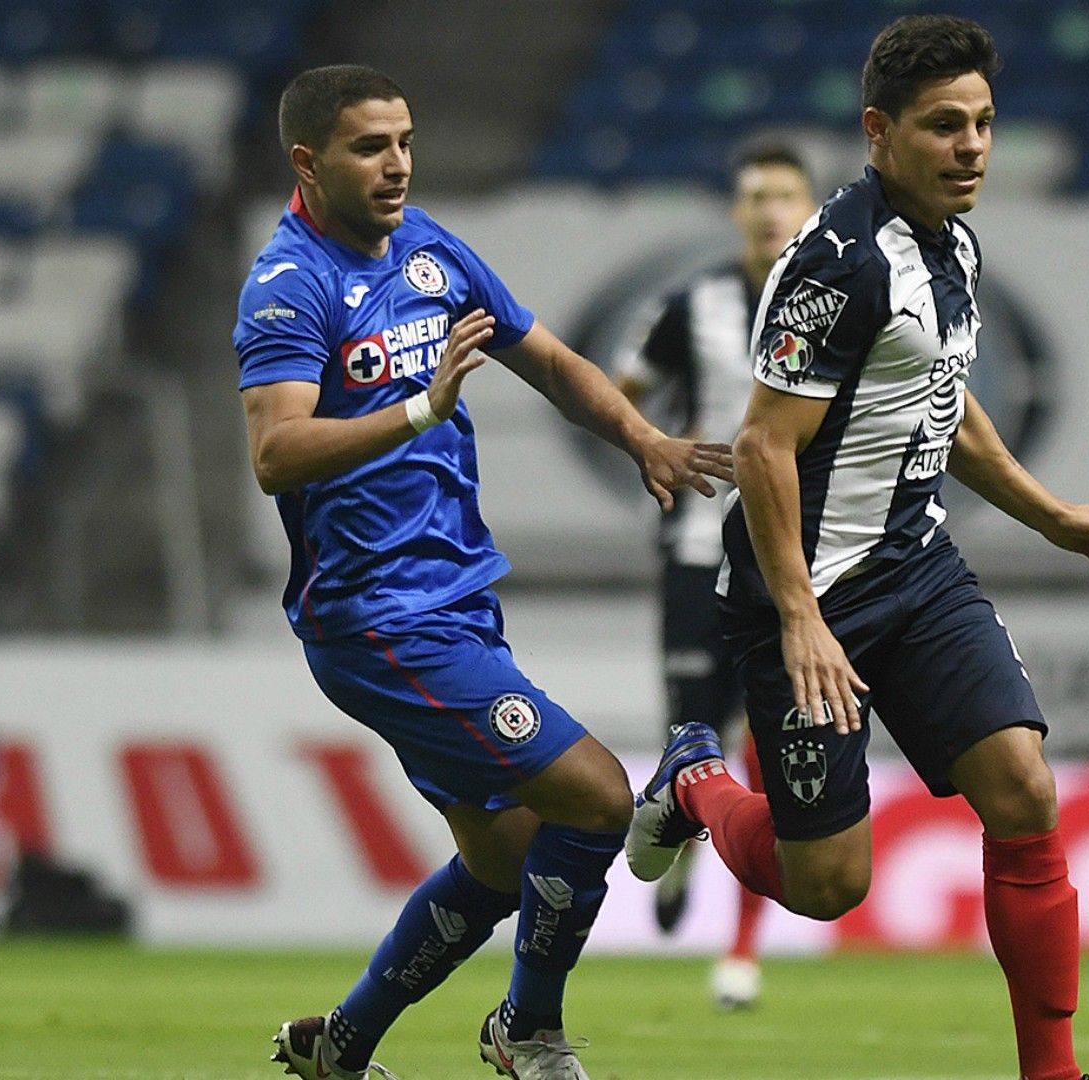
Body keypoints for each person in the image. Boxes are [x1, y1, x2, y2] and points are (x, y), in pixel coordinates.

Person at [625, 17, 1089, 1080]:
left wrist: (1049, 515)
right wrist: (804, 618)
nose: (972, 148)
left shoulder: (956, 243)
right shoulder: (836, 264)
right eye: (945, 126)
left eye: (985, 124)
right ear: (879, 131)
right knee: (827, 886)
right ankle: (694, 785)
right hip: (796, 597)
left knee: (1025, 792)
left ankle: (1053, 1071)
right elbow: (767, 448)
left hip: (916, 569)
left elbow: (946, 406)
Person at [233, 65, 730, 1080]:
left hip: (455, 603)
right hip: (378, 620)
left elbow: (547, 357)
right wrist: (417, 410)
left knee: (504, 862)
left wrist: (642, 436)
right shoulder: (290, 285)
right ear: (307, 160)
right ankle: (527, 1033)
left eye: (406, 140)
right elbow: (276, 454)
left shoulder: (429, 251)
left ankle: (344, 1045)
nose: (398, 165)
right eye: (371, 146)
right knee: (594, 797)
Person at [613, 139, 819, 1010]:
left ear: (809, 207)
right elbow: (624, 388)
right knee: (689, 740)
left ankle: (740, 953)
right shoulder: (692, 306)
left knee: (772, 753)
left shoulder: (838, 303)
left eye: (784, 194)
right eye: (755, 196)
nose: (770, 209)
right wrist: (656, 450)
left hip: (796, 564)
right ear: (737, 211)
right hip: (701, 554)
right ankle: (680, 855)